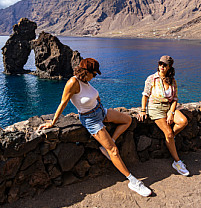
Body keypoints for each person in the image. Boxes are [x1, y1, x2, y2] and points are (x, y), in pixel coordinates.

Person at [38, 58, 152, 197]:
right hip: (90, 119)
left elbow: (92, 96)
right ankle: (133, 181)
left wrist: (97, 100)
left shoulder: (85, 81)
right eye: (94, 73)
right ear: (87, 72)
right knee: (114, 151)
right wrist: (53, 123)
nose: (95, 76)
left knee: (127, 120)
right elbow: (63, 103)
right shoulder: (73, 82)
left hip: (100, 111)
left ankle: (110, 142)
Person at [138, 55, 189, 176]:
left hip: (168, 107)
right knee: (169, 133)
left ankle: (168, 139)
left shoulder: (172, 80)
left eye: (165, 64)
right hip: (155, 108)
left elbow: (175, 99)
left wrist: (171, 113)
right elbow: (145, 95)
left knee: (183, 121)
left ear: (170, 66)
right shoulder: (152, 78)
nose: (162, 66)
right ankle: (177, 162)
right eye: (160, 63)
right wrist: (143, 110)